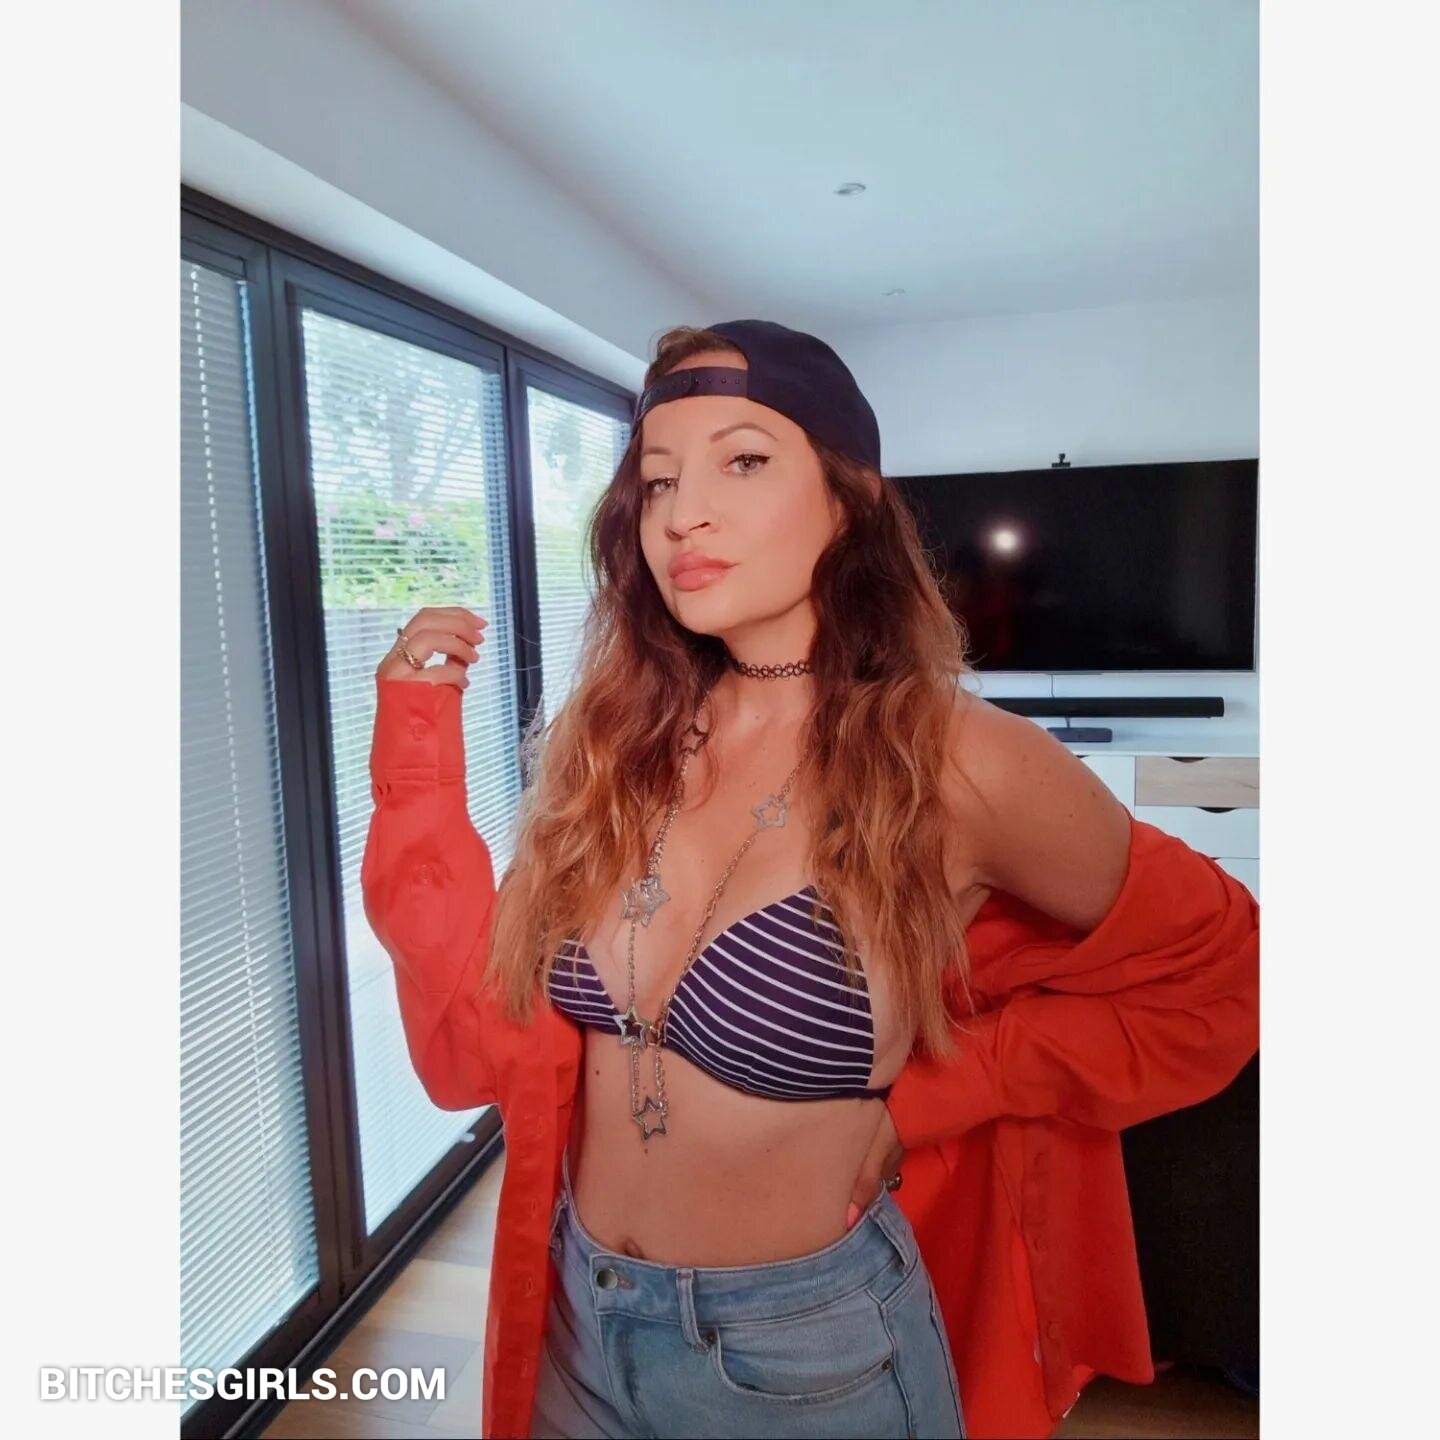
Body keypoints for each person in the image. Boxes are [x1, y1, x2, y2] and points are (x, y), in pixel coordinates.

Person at [361, 320, 1260, 1439]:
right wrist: (414, 753)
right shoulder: (618, 742)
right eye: (657, 480)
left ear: (851, 500)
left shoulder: (960, 763)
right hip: (579, 1321)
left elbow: (1226, 967)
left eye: (743, 460)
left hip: (808, 1356)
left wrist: (948, 1093)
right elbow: (468, 1045)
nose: (683, 513)